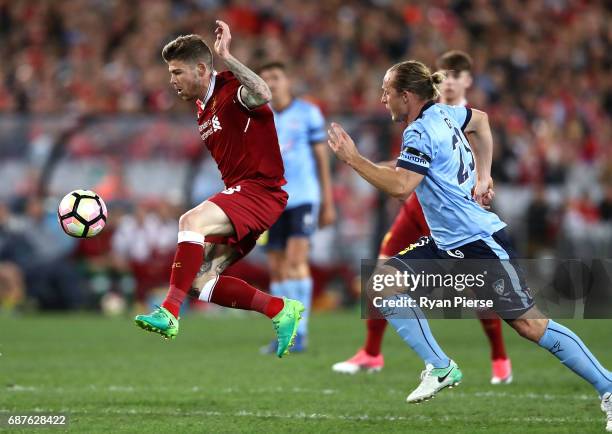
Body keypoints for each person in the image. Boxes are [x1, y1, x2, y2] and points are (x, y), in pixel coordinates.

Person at [327, 60, 612, 430]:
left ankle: (608, 387)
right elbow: (481, 121)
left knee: (530, 325)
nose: (383, 99)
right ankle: (440, 367)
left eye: (387, 92)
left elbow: (400, 186)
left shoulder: (419, 133)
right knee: (382, 283)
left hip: (479, 242)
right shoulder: (447, 113)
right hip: (447, 243)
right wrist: (483, 174)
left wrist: (352, 159)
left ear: (407, 95)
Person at [333, 51, 513, 385]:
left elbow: (408, 179)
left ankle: (498, 355)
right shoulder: (440, 111)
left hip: (456, 214)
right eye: (448, 73)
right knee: (382, 274)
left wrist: (483, 177)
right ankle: (374, 351)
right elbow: (411, 167)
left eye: (459, 74)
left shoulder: (440, 116)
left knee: (485, 294)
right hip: (421, 206)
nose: (451, 80)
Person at [134, 21, 303, 358]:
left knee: (189, 222)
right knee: (199, 281)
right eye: (170, 73)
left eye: (178, 72)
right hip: (245, 196)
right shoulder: (201, 108)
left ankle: (168, 311)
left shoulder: (232, 89)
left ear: (201, 69)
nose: (172, 81)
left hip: (260, 191)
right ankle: (280, 309)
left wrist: (226, 56)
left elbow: (264, 93)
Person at [258, 61, 336, 353]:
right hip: (271, 200)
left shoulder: (308, 113)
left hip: (303, 198)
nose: (271, 83)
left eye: (275, 77)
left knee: (294, 262)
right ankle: (284, 331)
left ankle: (299, 332)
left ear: (287, 81)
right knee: (277, 269)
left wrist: (327, 201)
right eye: (265, 78)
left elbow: (321, 159)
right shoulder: (258, 117)